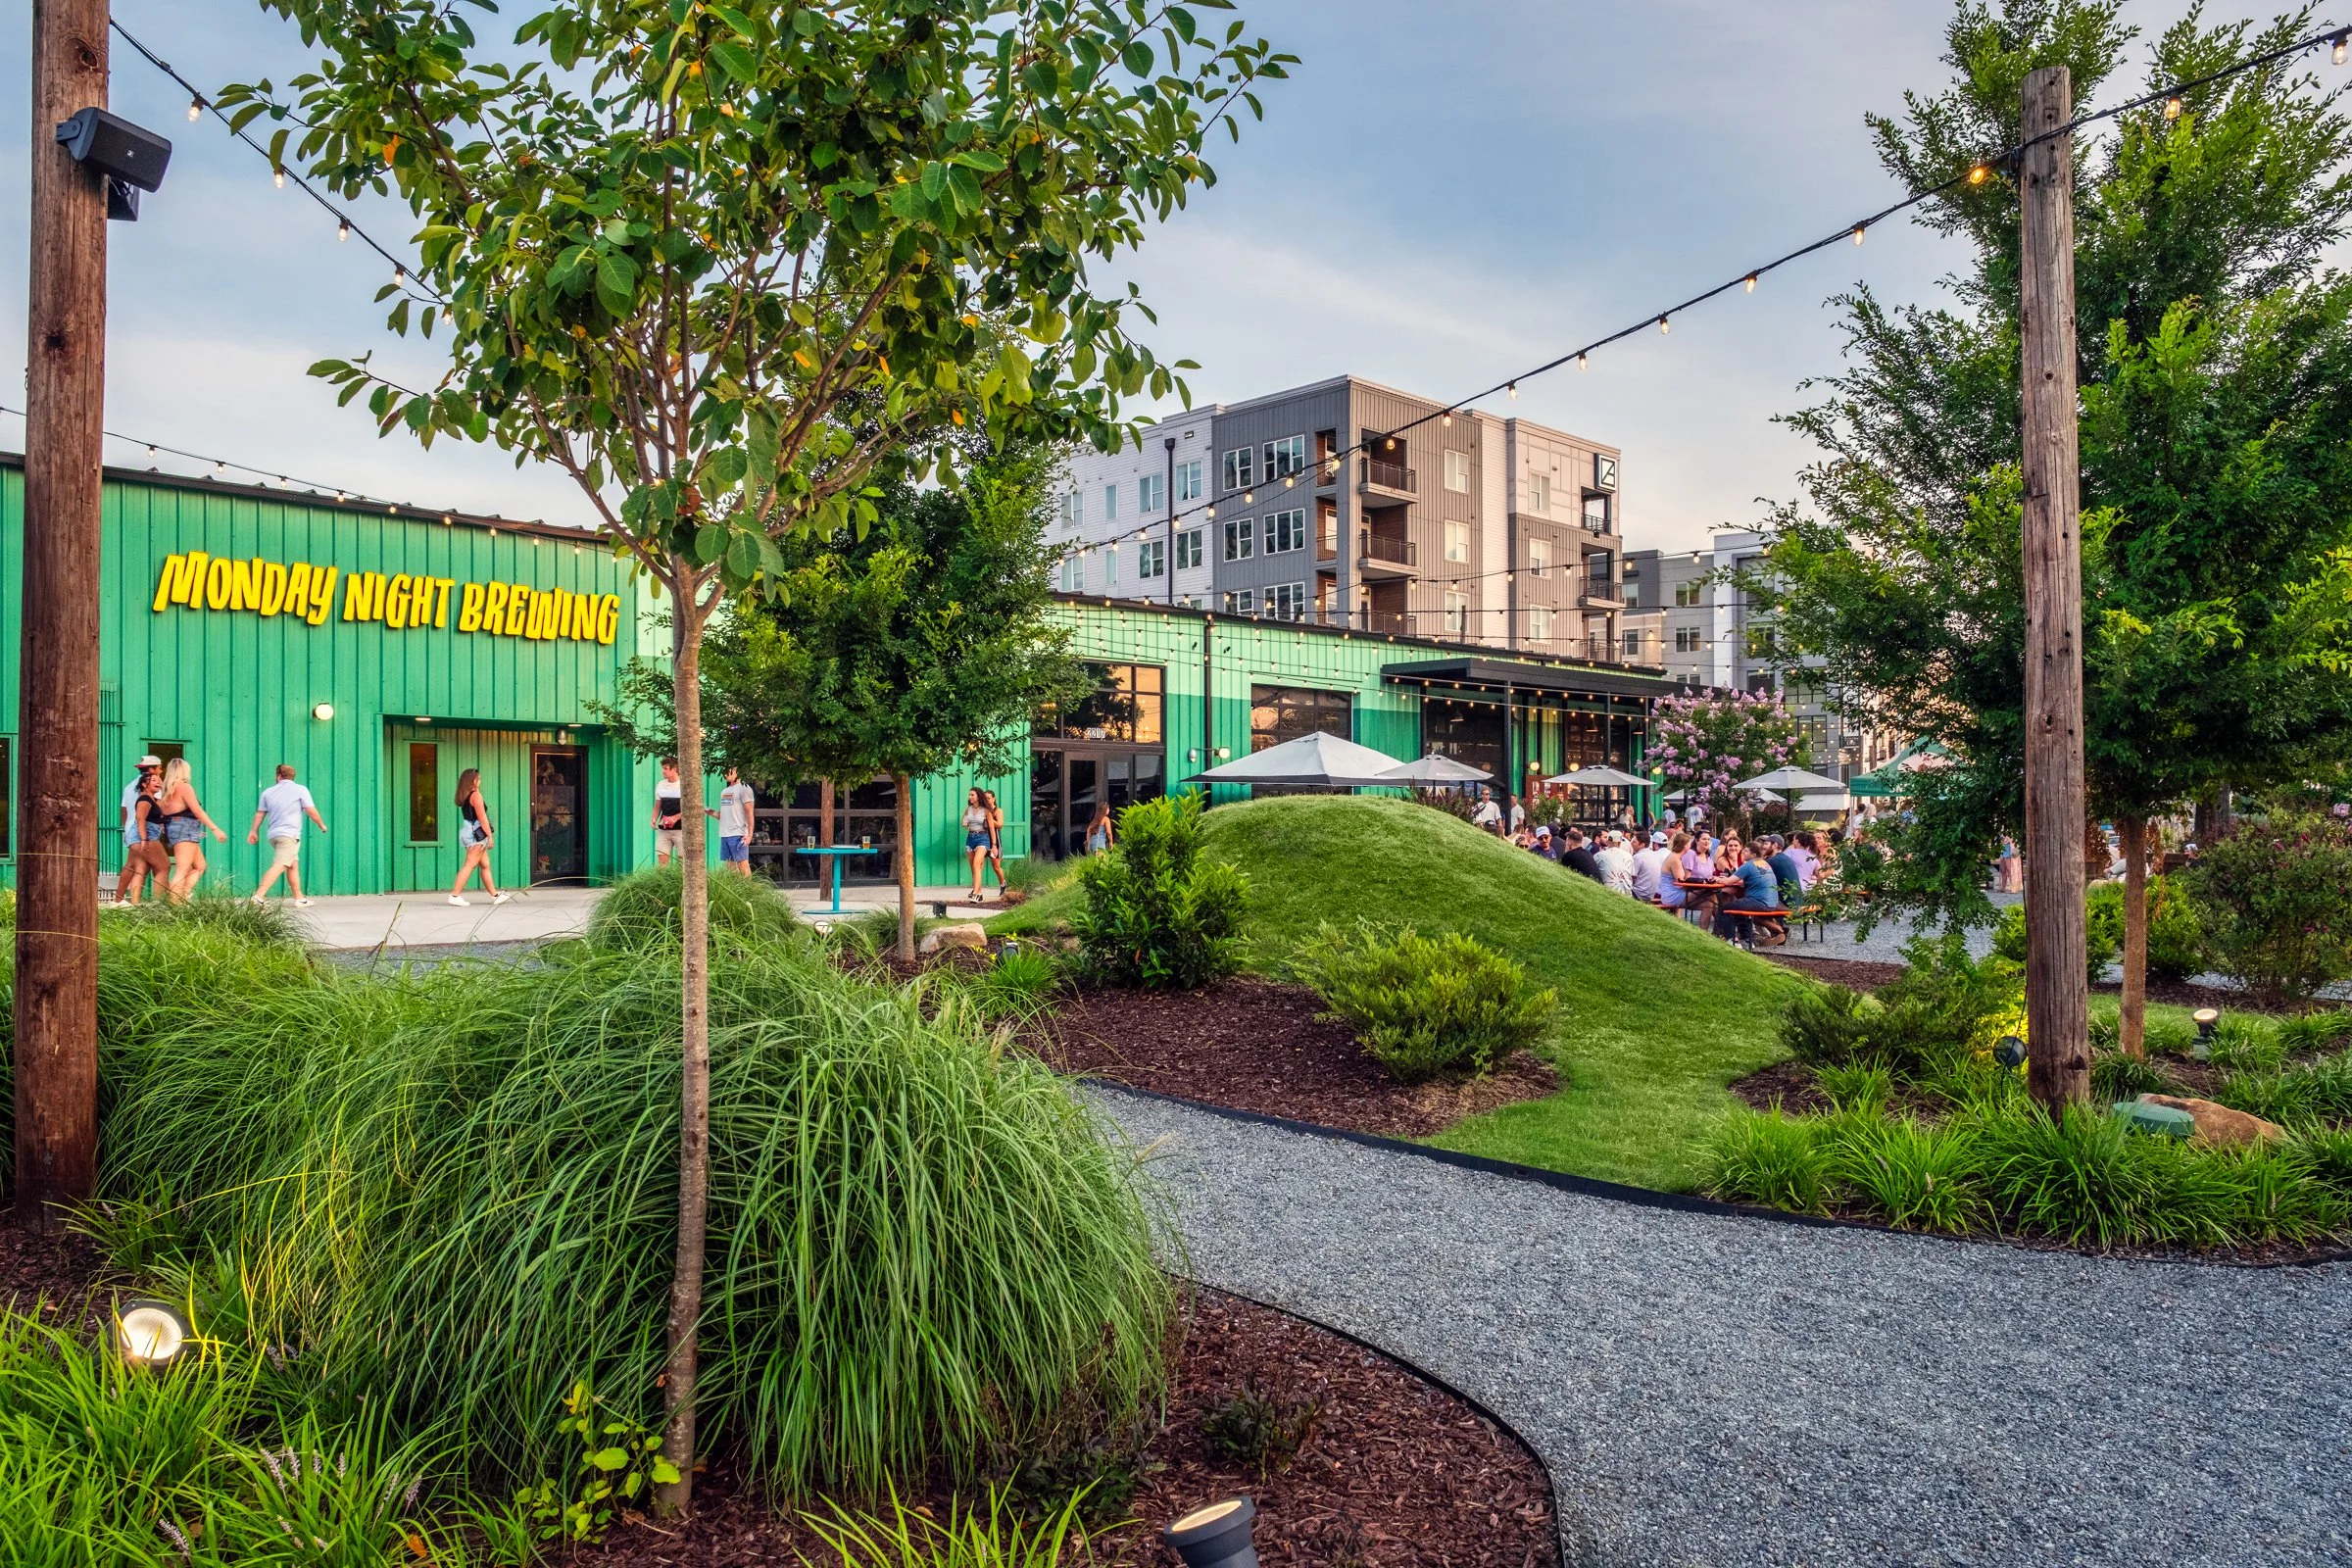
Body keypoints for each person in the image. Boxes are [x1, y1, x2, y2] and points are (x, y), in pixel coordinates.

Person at [247, 763, 326, 906]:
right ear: (293, 777)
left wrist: (253, 831)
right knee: (280, 864)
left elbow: (260, 814)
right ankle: (258, 896)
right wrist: (321, 824)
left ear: (278, 776)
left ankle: (299, 898)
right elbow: (310, 810)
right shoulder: (300, 790)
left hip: (274, 835)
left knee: (292, 865)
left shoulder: (267, 792)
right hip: (289, 835)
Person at [155, 758, 228, 903]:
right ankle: (175, 905)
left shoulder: (164, 790)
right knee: (182, 869)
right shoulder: (184, 787)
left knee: (200, 866)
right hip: (185, 827)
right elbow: (197, 810)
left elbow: (163, 813)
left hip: (175, 826)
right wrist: (215, 829)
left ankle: (183, 895)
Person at [450, 766, 511, 906]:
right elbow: (482, 818)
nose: (480, 781)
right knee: (470, 865)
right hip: (476, 834)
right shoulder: (476, 796)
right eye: (479, 778)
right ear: (473, 780)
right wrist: (490, 836)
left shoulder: (465, 795)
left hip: (468, 832)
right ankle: (454, 895)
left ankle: (495, 895)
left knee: (485, 865)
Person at [115, 754, 163, 903]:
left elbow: (123, 809)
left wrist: (125, 828)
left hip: (130, 829)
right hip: (144, 829)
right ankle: (159, 902)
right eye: (159, 768)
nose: (160, 772)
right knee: (161, 867)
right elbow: (159, 808)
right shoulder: (154, 786)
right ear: (152, 769)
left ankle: (119, 900)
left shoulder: (130, 786)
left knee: (134, 866)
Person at [1715, 841, 1784, 944]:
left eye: (1746, 851)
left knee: (1725, 910)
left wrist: (1717, 879)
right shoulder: (1764, 864)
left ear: (1753, 855)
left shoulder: (1749, 865)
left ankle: (1731, 940)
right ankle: (1747, 939)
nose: (1743, 853)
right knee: (1739, 907)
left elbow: (1728, 881)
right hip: (1773, 902)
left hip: (1759, 902)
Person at [716, 766, 758, 879]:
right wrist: (710, 812)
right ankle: (735, 890)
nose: (726, 774)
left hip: (738, 834)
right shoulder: (724, 791)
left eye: (729, 771)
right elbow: (724, 814)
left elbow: (750, 813)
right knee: (729, 866)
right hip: (725, 834)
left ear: (737, 772)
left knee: (742, 864)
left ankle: (749, 891)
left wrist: (749, 835)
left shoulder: (744, 788)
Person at [962, 787, 995, 899]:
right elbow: (964, 822)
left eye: (972, 795)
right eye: (969, 795)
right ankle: (979, 892)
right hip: (971, 837)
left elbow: (991, 828)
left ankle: (975, 892)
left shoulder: (986, 810)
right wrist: (966, 823)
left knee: (977, 864)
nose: (970, 797)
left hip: (982, 838)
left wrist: (994, 845)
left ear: (978, 796)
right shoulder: (968, 809)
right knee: (974, 867)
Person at [654, 758, 686, 866]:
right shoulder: (661, 785)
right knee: (662, 860)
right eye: (663, 768)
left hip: (681, 829)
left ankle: (681, 882)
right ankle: (662, 882)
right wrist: (654, 818)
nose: (663, 771)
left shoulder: (684, 785)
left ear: (675, 769)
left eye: (666, 768)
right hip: (664, 828)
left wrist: (676, 817)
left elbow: (690, 808)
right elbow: (658, 805)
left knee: (684, 859)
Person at [1656, 831, 1692, 914]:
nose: (1690, 846)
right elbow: (1681, 883)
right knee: (1706, 894)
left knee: (1708, 903)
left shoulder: (1675, 857)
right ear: (1685, 845)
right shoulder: (1675, 859)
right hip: (1672, 895)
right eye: (1689, 844)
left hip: (1671, 894)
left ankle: (1717, 925)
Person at [1632, 830, 1673, 902]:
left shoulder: (1638, 857)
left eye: (1634, 842)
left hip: (1642, 894)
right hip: (1657, 892)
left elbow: (1631, 877)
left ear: (1642, 844)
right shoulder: (1657, 854)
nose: (1631, 843)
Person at [1766, 835, 1804, 908]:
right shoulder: (1785, 858)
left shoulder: (1772, 861)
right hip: (1797, 902)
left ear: (1775, 845)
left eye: (1766, 844)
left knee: (1757, 905)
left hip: (1786, 904)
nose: (1763, 846)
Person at [1593, 829, 1637, 896]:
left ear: (1607, 841)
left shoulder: (1599, 855)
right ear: (1619, 843)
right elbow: (1633, 876)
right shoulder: (1629, 856)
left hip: (1605, 894)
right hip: (1626, 895)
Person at [982, 789, 1009, 894]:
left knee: (996, 866)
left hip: (995, 841)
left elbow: (1000, 824)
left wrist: (989, 818)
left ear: (994, 798)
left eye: (988, 798)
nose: (987, 800)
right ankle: (976, 888)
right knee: (979, 864)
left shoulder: (998, 811)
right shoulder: (982, 810)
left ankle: (1003, 883)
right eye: (985, 798)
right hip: (983, 840)